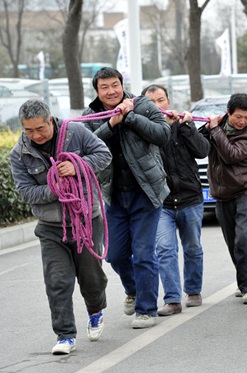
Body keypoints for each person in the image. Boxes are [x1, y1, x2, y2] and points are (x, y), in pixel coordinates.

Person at [9, 99, 112, 354]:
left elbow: (104, 155)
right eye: (29, 130)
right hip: (50, 227)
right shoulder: (19, 154)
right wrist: (53, 187)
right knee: (57, 281)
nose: (36, 135)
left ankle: (96, 310)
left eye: (40, 128)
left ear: (50, 120)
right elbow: (26, 192)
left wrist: (78, 165)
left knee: (91, 278)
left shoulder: (75, 132)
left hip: (86, 219)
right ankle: (65, 335)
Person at [82, 67, 171, 329]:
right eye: (104, 87)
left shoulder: (142, 104)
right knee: (115, 255)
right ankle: (133, 289)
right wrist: (112, 124)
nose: (111, 91)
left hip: (146, 193)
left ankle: (146, 309)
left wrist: (130, 116)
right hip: (113, 195)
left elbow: (163, 134)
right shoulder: (91, 115)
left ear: (122, 85)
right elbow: (85, 145)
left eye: (115, 85)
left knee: (144, 253)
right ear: (97, 91)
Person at [141, 84, 210, 316]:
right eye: (151, 103)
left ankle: (193, 290)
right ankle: (172, 299)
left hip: (190, 198)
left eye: (161, 100)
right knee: (164, 249)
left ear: (168, 102)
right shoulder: (144, 132)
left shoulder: (184, 124)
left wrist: (189, 126)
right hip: (162, 202)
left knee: (193, 247)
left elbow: (203, 151)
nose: (158, 106)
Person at [202, 93, 247, 304]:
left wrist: (215, 128)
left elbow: (231, 155)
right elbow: (200, 145)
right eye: (238, 117)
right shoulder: (218, 126)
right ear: (228, 113)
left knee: (244, 239)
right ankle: (243, 280)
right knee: (232, 242)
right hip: (222, 192)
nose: (242, 121)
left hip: (246, 190)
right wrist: (204, 125)